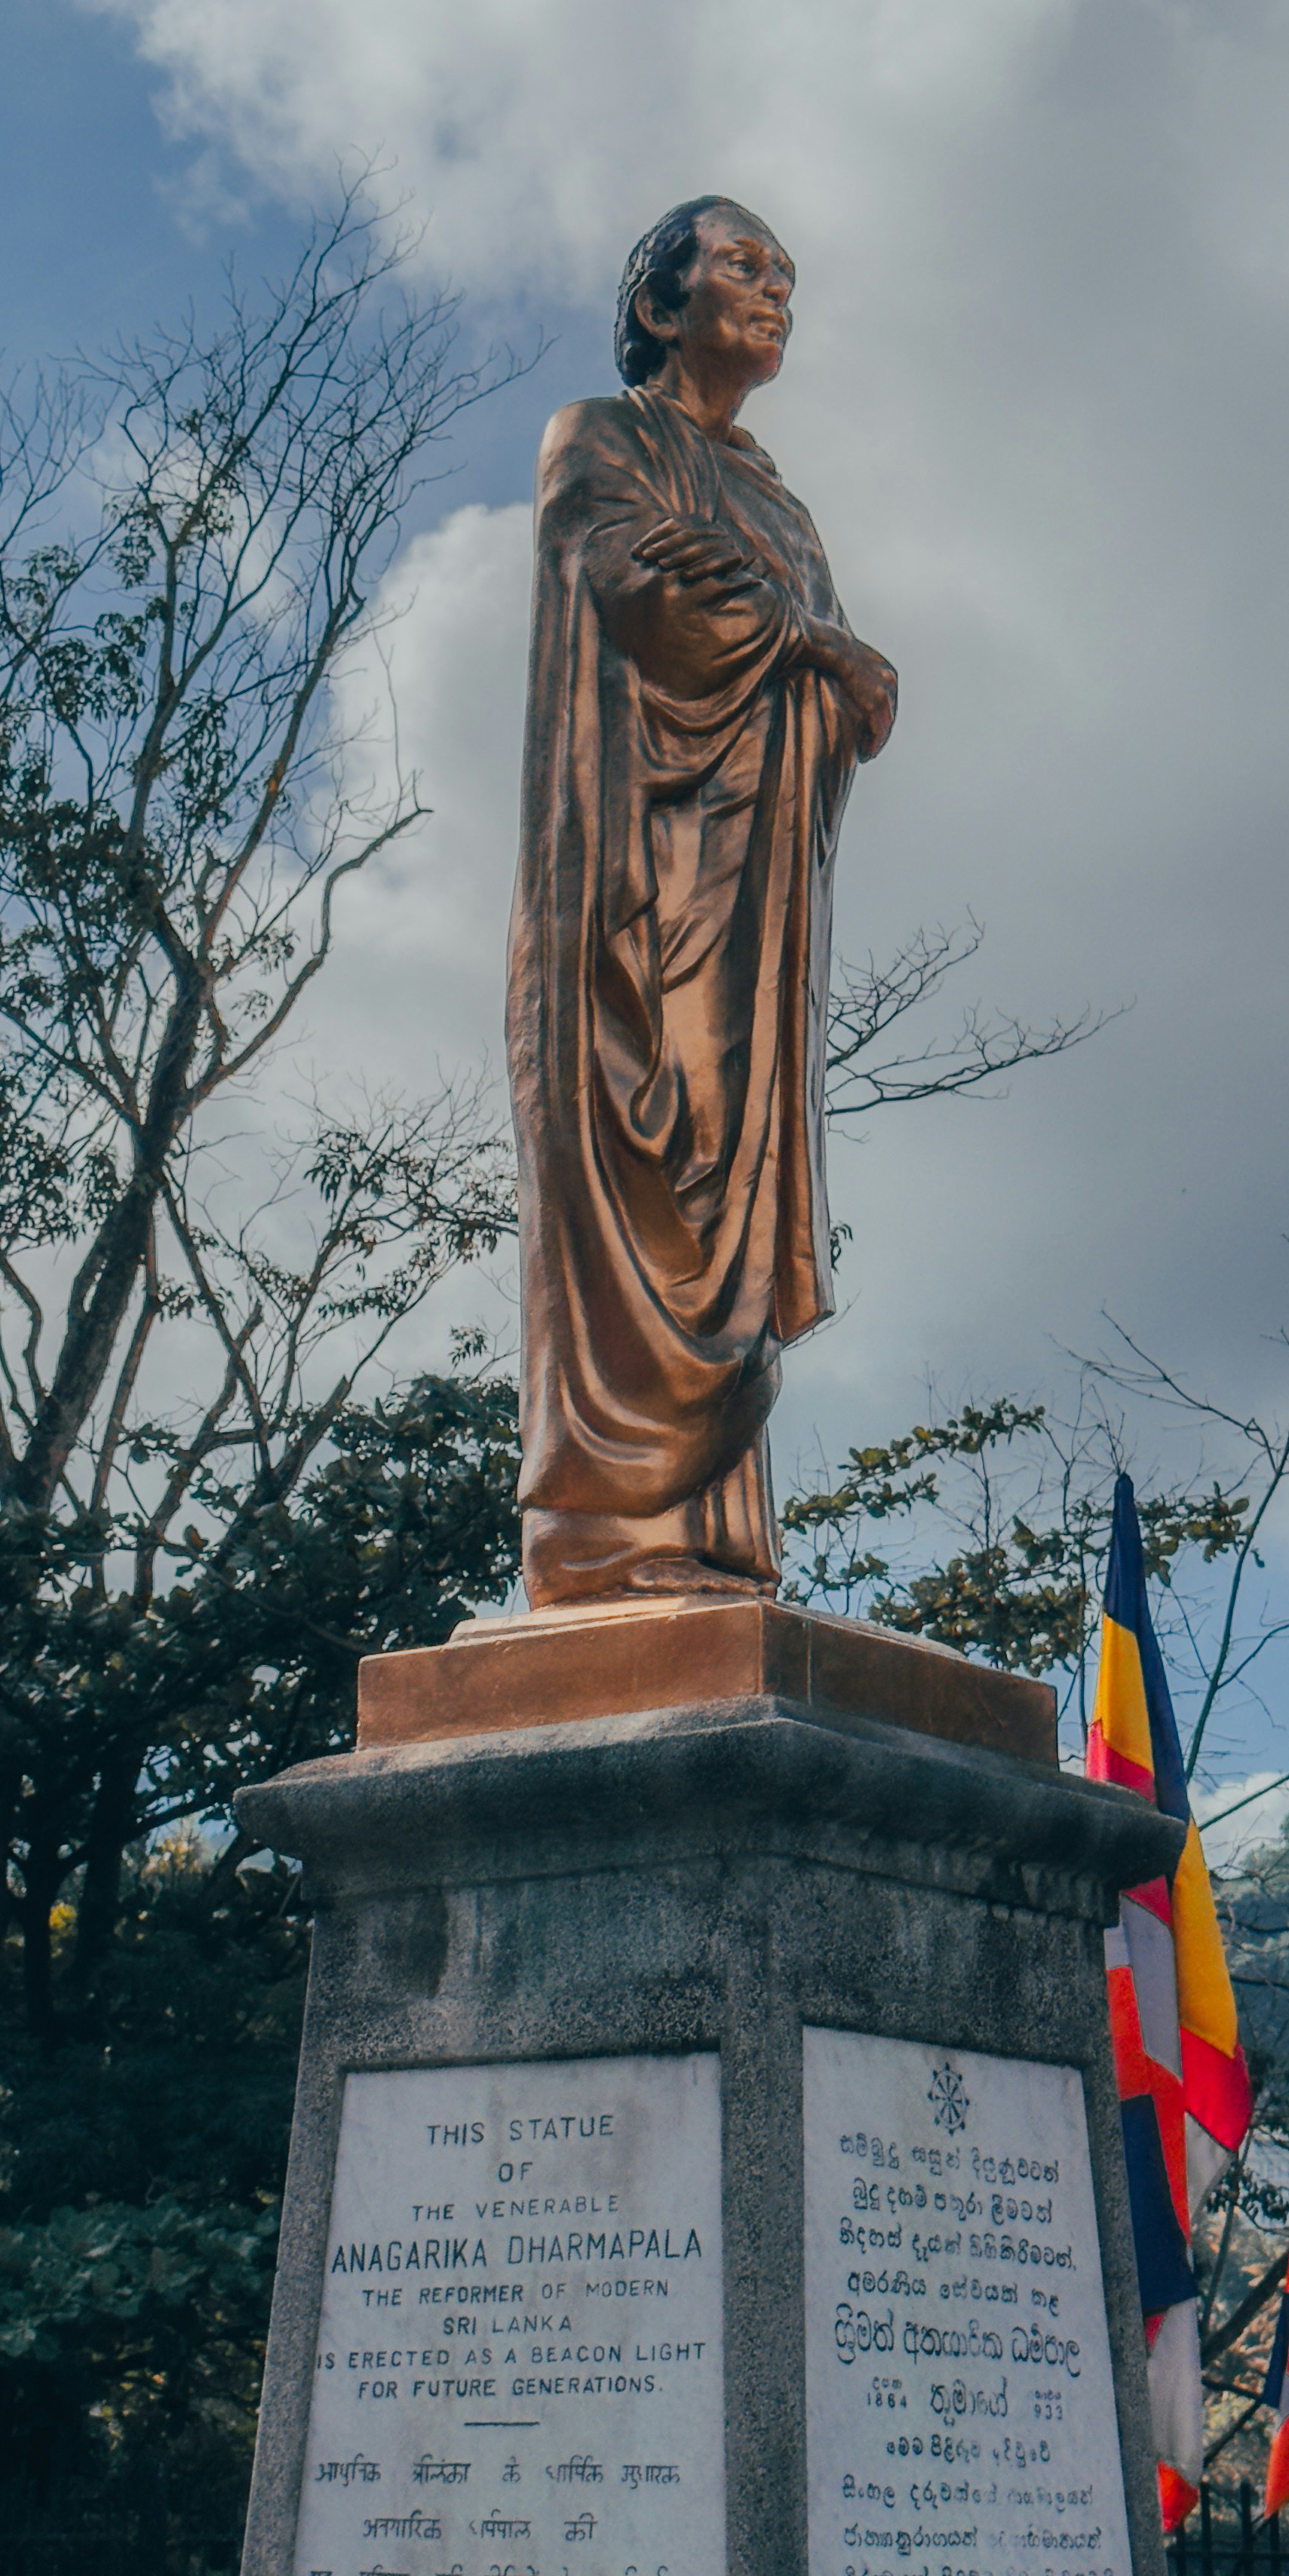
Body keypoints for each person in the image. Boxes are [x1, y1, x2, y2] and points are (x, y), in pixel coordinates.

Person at [508, 194, 898, 1607]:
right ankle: (606, 1534)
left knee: (731, 1185)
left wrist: (823, 664)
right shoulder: (601, 437)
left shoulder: (780, 501)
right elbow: (648, 591)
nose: (775, 289)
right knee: (639, 1166)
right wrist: (820, 648)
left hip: (755, 899)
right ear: (664, 305)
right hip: (630, 891)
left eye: (787, 274)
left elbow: (799, 657)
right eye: (743, 265)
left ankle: (709, 1533)